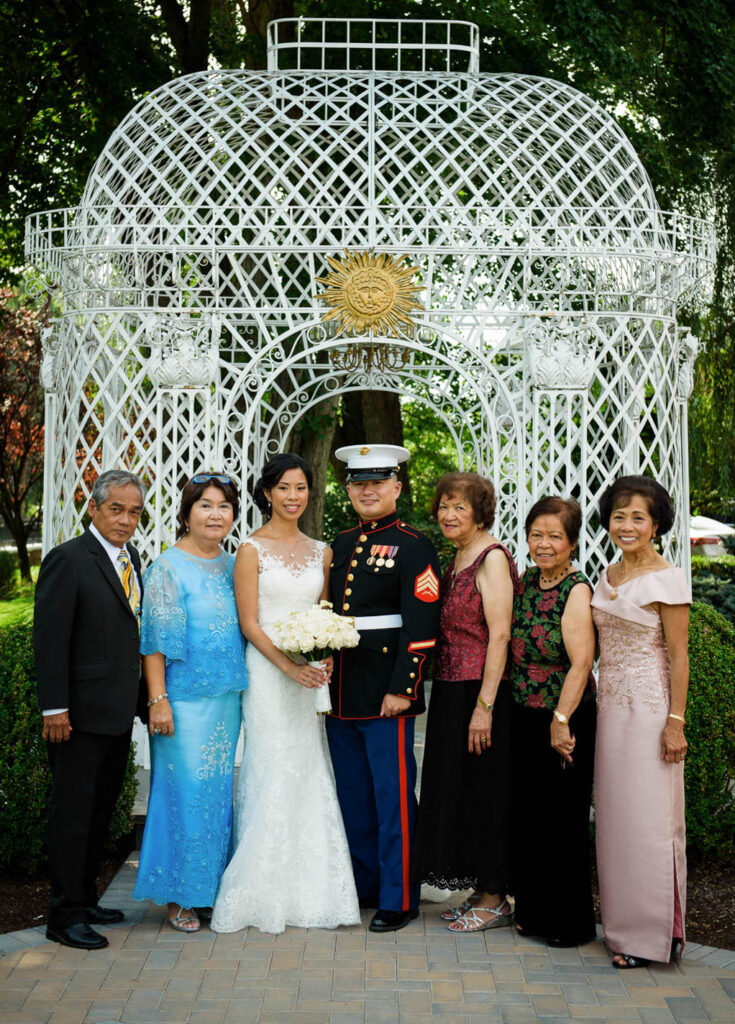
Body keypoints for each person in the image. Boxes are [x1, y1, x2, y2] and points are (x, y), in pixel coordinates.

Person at [211, 453, 360, 934]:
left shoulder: (322, 552)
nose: (293, 497)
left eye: (301, 488)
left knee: (309, 765)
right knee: (271, 765)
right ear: (267, 493)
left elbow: (322, 614)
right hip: (269, 675)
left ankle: (313, 889)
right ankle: (260, 891)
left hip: (308, 675)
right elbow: (249, 623)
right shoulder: (251, 550)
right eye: (284, 488)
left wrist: (326, 650)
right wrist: (287, 667)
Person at [326, 444, 442, 933]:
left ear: (397, 487)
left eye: (377, 482)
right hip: (340, 692)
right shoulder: (342, 540)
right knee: (354, 796)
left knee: (393, 797)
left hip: (386, 693)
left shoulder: (413, 543)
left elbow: (422, 625)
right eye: (358, 483)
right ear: (348, 489)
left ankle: (400, 897)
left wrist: (405, 689)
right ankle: (367, 886)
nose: (367, 490)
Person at [33, 468, 147, 950]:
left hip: (116, 712)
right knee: (73, 817)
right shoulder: (68, 560)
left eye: (134, 512)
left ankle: (85, 898)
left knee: (99, 813)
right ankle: (63, 915)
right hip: (77, 716)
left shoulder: (132, 558)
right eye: (116, 509)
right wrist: (54, 710)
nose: (125, 520)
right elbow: (50, 640)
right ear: (94, 508)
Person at [133, 473, 248, 932]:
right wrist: (158, 700)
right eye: (205, 505)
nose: (215, 514)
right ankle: (180, 895)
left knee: (217, 796)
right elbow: (154, 644)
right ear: (186, 514)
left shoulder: (233, 563)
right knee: (184, 793)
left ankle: (208, 889)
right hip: (182, 701)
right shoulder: (166, 568)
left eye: (223, 506)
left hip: (227, 701)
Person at [591, 475, 690, 968]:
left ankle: (654, 936)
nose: (626, 525)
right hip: (609, 712)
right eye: (618, 515)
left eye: (638, 517)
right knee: (615, 823)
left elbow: (679, 656)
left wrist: (676, 722)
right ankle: (620, 928)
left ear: (656, 525)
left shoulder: (667, 579)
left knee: (651, 824)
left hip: (651, 712)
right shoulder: (606, 575)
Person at [415, 472, 517, 933]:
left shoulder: (492, 557)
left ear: (480, 511)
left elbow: (500, 635)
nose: (448, 515)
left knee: (485, 794)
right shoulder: (458, 555)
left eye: (459, 506)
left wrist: (485, 706)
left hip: (480, 689)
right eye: (443, 506)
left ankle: (497, 898)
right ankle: (479, 890)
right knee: (457, 791)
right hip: (451, 690)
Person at [508, 496, 597, 947]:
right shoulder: (526, 581)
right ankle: (534, 912)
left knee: (563, 821)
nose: (543, 544)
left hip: (564, 716)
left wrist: (561, 721)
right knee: (531, 817)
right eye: (536, 535)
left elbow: (581, 664)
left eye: (554, 537)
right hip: (524, 714)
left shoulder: (576, 590)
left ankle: (570, 923)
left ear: (572, 543)